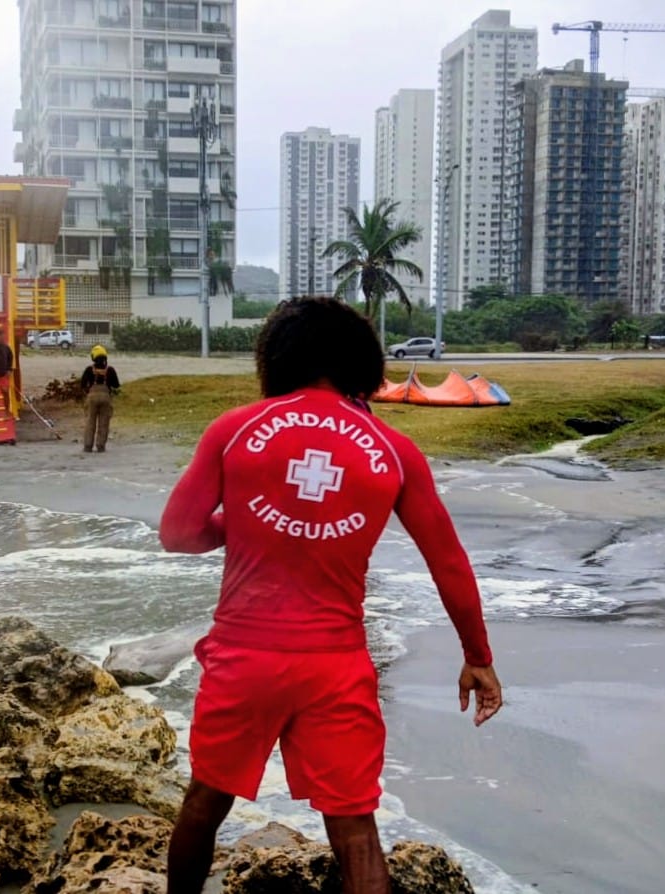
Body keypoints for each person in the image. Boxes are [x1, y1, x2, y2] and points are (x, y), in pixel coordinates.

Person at [158, 297, 502, 894]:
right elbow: (448, 561)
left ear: (276, 357)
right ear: (362, 363)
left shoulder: (235, 429)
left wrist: (237, 523)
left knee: (204, 803)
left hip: (244, 659)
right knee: (355, 829)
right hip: (336, 666)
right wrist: (478, 656)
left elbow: (178, 534)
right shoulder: (394, 450)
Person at [79, 345, 119, 453]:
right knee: (104, 422)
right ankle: (100, 446)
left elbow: (82, 384)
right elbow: (116, 385)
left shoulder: (89, 369)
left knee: (90, 422)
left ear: (93, 357)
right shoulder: (110, 370)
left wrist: (88, 391)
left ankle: (88, 446)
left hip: (92, 397)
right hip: (106, 397)